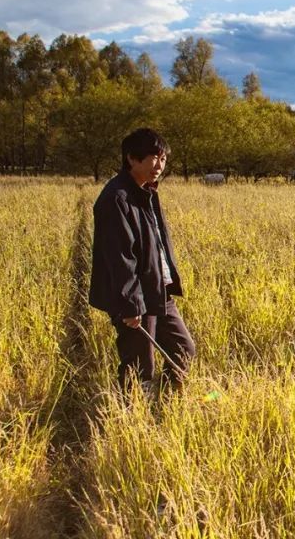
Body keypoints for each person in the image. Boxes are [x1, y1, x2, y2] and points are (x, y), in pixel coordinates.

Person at [88, 127, 195, 393]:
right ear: (132, 159)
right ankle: (134, 418)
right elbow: (119, 257)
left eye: (163, 159)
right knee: (139, 365)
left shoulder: (146, 191)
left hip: (158, 289)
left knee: (183, 349)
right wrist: (130, 304)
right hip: (136, 297)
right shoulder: (116, 198)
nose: (159, 165)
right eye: (153, 158)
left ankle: (167, 402)